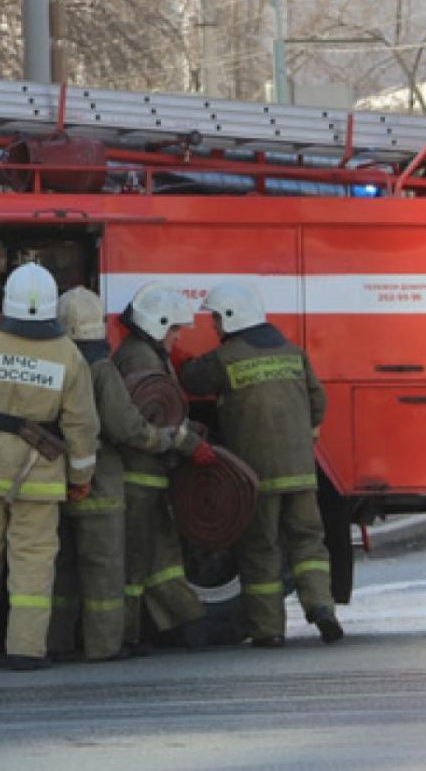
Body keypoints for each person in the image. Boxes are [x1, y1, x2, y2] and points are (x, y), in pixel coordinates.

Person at [0, 263, 100, 670]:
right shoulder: (69, 355)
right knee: (31, 563)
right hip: (39, 474)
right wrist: (81, 478)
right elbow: (81, 425)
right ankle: (26, 651)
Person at [179, 281, 343, 648]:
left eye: (217, 320)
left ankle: (269, 630)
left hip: (256, 477)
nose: (215, 327)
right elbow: (318, 402)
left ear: (232, 318)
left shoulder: (226, 358)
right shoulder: (292, 352)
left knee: (260, 548)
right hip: (302, 472)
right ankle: (322, 609)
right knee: (308, 544)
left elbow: (192, 378)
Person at [48, 286, 182, 661]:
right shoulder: (101, 369)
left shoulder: (52, 362)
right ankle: (104, 647)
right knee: (104, 569)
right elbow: (125, 427)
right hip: (100, 482)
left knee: (63, 569)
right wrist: (163, 439)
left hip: (55, 478)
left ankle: (58, 642)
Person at [112, 282, 211, 652]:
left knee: (160, 557)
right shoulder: (141, 359)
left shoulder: (145, 353)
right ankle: (126, 635)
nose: (179, 336)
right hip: (138, 477)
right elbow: (148, 421)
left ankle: (184, 624)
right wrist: (190, 443)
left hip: (149, 476)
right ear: (158, 324)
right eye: (175, 329)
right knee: (134, 561)